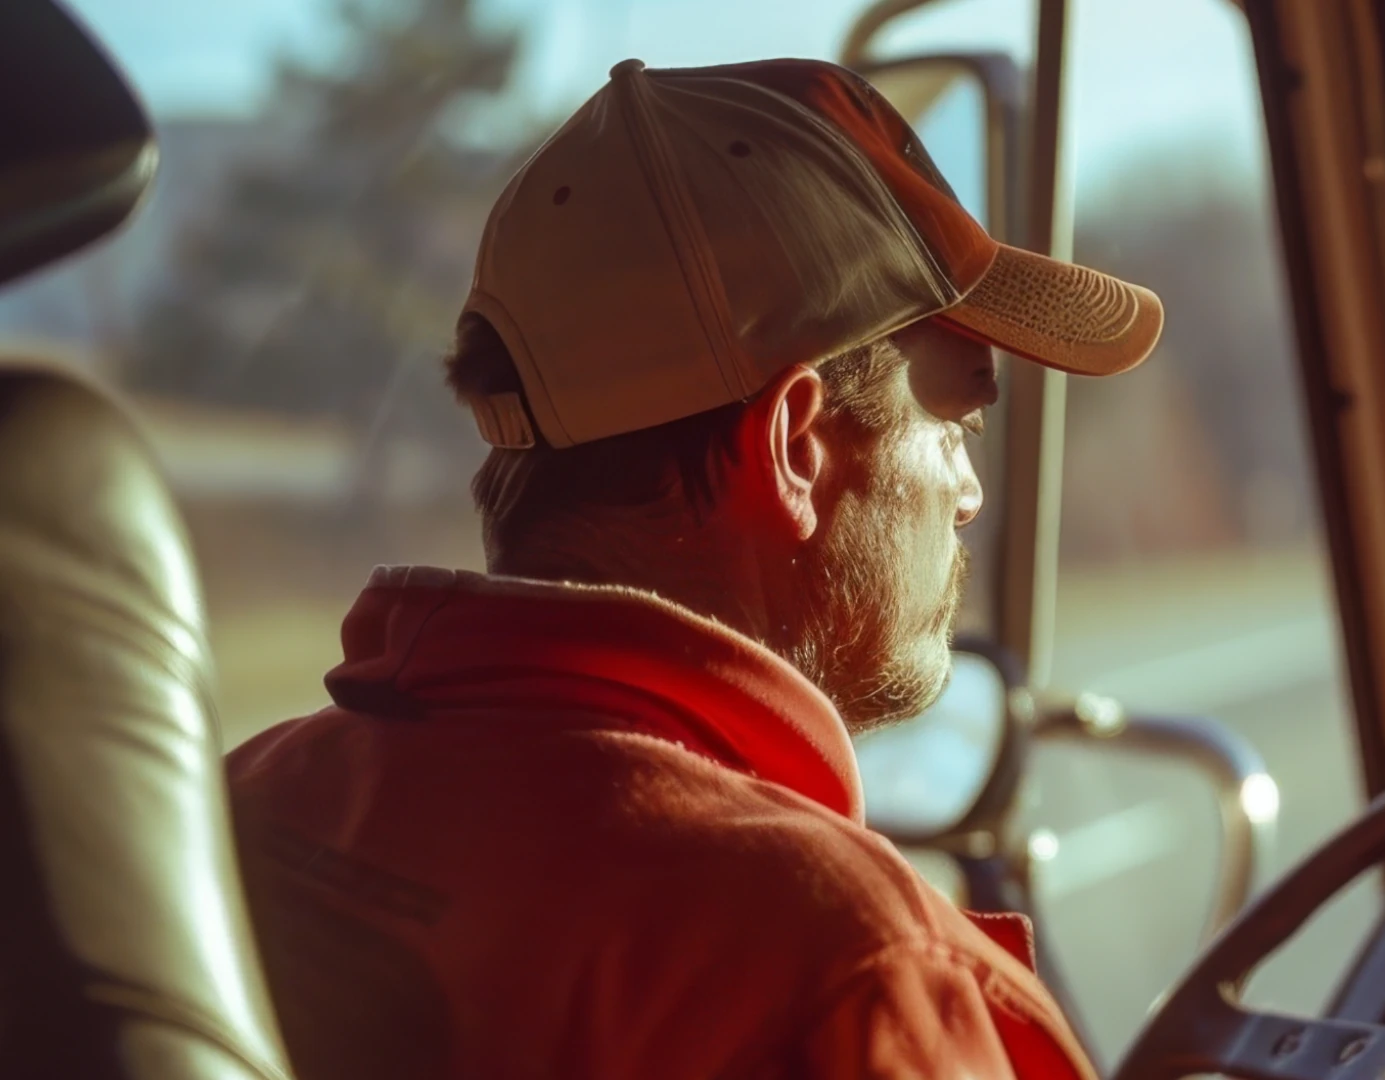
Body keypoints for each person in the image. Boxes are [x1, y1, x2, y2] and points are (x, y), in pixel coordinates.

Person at [225, 56, 1161, 1079]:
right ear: (797, 447)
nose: (971, 492)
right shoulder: (852, 974)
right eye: (957, 424)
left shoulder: (244, 801)